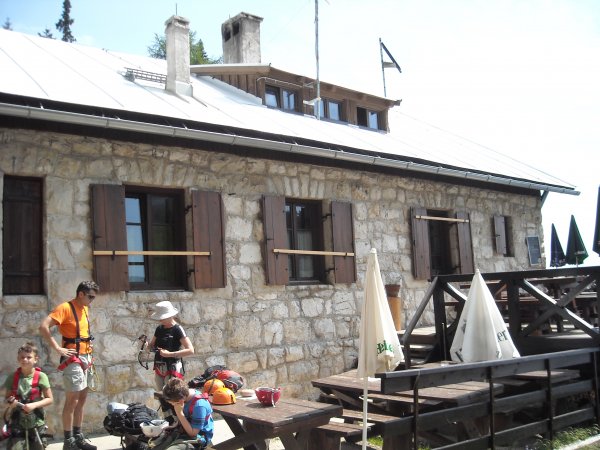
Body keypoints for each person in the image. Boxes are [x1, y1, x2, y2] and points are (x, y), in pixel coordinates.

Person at [39, 281, 99, 450]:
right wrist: (58, 348)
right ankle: (68, 441)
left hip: (86, 357)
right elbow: (43, 326)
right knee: (72, 400)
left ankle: (78, 437)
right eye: (91, 297)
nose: (92, 300)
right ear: (81, 294)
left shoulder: (85, 308)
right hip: (72, 360)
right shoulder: (64, 308)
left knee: (82, 400)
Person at [2, 342, 54, 450]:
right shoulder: (13, 377)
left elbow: (49, 399)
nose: (25, 359)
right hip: (17, 422)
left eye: (29, 357)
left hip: (36, 422)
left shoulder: (41, 376)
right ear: (18, 359)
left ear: (35, 359)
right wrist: (11, 403)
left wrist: (34, 405)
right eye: (22, 357)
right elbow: (7, 398)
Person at [148, 301, 194, 391]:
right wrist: (147, 345)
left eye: (162, 318)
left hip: (172, 368)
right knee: (161, 396)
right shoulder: (159, 328)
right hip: (159, 368)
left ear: (170, 316)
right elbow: (151, 346)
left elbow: (190, 350)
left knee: (172, 396)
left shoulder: (177, 329)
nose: (160, 320)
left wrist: (169, 354)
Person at [160, 378, 213, 449]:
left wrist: (179, 413)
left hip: (198, 437)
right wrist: (175, 425)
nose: (172, 404)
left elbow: (193, 433)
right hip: (184, 431)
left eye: (172, 403)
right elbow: (186, 415)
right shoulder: (185, 395)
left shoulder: (199, 406)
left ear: (181, 401)